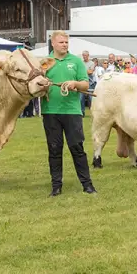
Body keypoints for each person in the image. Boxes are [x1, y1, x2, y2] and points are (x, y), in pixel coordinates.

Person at [39, 31, 96, 196]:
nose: (64, 45)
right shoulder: (44, 63)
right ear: (53, 43)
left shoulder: (76, 61)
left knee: (77, 148)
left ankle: (87, 185)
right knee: (54, 149)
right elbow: (36, 85)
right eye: (61, 42)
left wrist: (75, 83)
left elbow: (85, 85)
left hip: (72, 111)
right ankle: (56, 187)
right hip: (50, 112)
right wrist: (43, 84)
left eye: (66, 42)